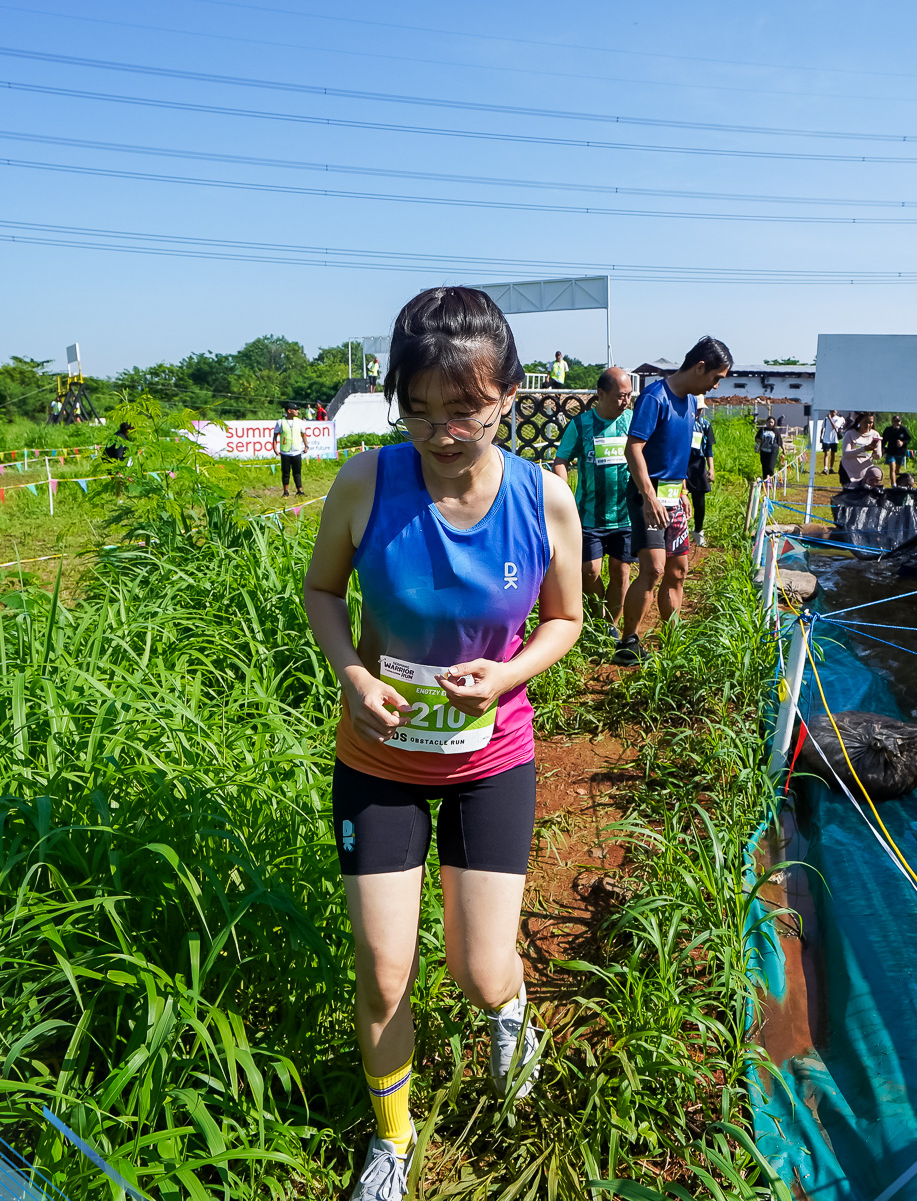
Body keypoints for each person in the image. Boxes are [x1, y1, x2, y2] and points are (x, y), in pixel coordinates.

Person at [303, 288, 582, 1201]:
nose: (441, 433)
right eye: (417, 411)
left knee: (478, 970)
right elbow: (323, 593)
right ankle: (393, 1139)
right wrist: (354, 676)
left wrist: (507, 677)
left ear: (509, 396)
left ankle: (511, 1014)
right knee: (385, 975)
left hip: (488, 762)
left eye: (464, 410)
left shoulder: (544, 500)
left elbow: (565, 619)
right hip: (378, 760)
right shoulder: (365, 483)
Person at [615, 337, 732, 666]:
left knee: (678, 571)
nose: (716, 385)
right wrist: (649, 496)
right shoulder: (655, 397)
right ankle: (628, 643)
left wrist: (681, 492)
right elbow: (633, 448)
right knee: (653, 568)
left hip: (673, 494)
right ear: (700, 367)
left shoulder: (692, 403)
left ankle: (672, 641)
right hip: (648, 495)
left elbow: (676, 451)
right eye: (716, 378)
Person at [550, 367, 634, 640]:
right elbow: (561, 460)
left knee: (621, 571)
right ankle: (598, 616)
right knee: (589, 571)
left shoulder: (633, 422)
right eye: (621, 396)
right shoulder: (581, 424)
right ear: (601, 394)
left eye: (629, 395)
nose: (626, 401)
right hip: (588, 515)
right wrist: (563, 492)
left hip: (625, 515)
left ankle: (611, 626)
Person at [688, 394, 715, 549]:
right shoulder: (682, 423)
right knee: (679, 499)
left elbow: (708, 448)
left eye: (700, 409)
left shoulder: (705, 425)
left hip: (698, 464)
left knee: (699, 502)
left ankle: (698, 531)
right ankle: (678, 531)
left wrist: (711, 468)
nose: (699, 412)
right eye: (696, 409)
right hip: (682, 463)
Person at [841, 412, 885, 488]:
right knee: (850, 493)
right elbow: (846, 454)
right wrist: (864, 449)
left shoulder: (875, 435)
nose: (868, 425)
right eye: (865, 422)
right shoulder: (850, 433)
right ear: (859, 421)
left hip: (866, 473)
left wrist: (875, 452)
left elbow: (878, 457)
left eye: (870, 422)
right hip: (848, 472)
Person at [276, 402, 307, 496]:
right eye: (295, 410)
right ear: (289, 411)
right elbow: (275, 436)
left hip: (297, 451)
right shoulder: (280, 422)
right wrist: (275, 448)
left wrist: (306, 446)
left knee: (297, 472)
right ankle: (286, 491)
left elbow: (303, 435)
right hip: (285, 451)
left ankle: (300, 490)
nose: (298, 411)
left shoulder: (299, 422)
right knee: (286, 472)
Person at [880, 414, 912, 482]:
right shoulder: (888, 430)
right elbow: (884, 440)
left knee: (897, 470)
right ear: (892, 422)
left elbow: (909, 439)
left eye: (898, 421)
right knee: (892, 468)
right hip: (890, 452)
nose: (897, 423)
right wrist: (882, 448)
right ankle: (893, 485)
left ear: (900, 422)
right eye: (895, 421)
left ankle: (897, 481)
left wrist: (902, 442)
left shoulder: (903, 430)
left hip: (900, 452)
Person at [755, 418, 781, 482]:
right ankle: (765, 481)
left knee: (770, 467)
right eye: (769, 422)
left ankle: (771, 481)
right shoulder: (762, 430)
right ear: (766, 422)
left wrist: (783, 449)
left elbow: (780, 441)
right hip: (763, 451)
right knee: (764, 467)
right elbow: (756, 438)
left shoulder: (776, 431)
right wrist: (761, 440)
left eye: (772, 422)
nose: (770, 424)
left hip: (773, 452)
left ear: (774, 423)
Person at [820, 410, 843, 475]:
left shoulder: (838, 419)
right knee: (826, 454)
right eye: (832, 411)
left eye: (834, 411)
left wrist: (830, 418)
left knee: (833, 454)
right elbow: (822, 428)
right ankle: (825, 468)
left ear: (836, 411)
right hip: (826, 439)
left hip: (834, 439)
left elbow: (834, 426)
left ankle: (831, 468)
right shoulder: (826, 419)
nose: (833, 412)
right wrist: (821, 437)